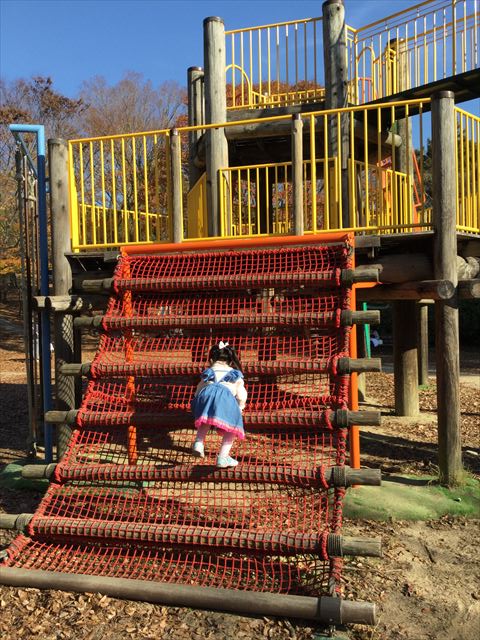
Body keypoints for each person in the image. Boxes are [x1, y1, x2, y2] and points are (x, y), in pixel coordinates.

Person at [191, 341, 247, 468]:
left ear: (211, 359)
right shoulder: (235, 374)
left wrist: (197, 402)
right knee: (234, 425)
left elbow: (198, 390)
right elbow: (242, 395)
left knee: (206, 417)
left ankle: (199, 443)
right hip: (224, 399)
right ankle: (223, 456)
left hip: (204, 398)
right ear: (231, 361)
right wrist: (240, 407)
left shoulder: (209, 371)